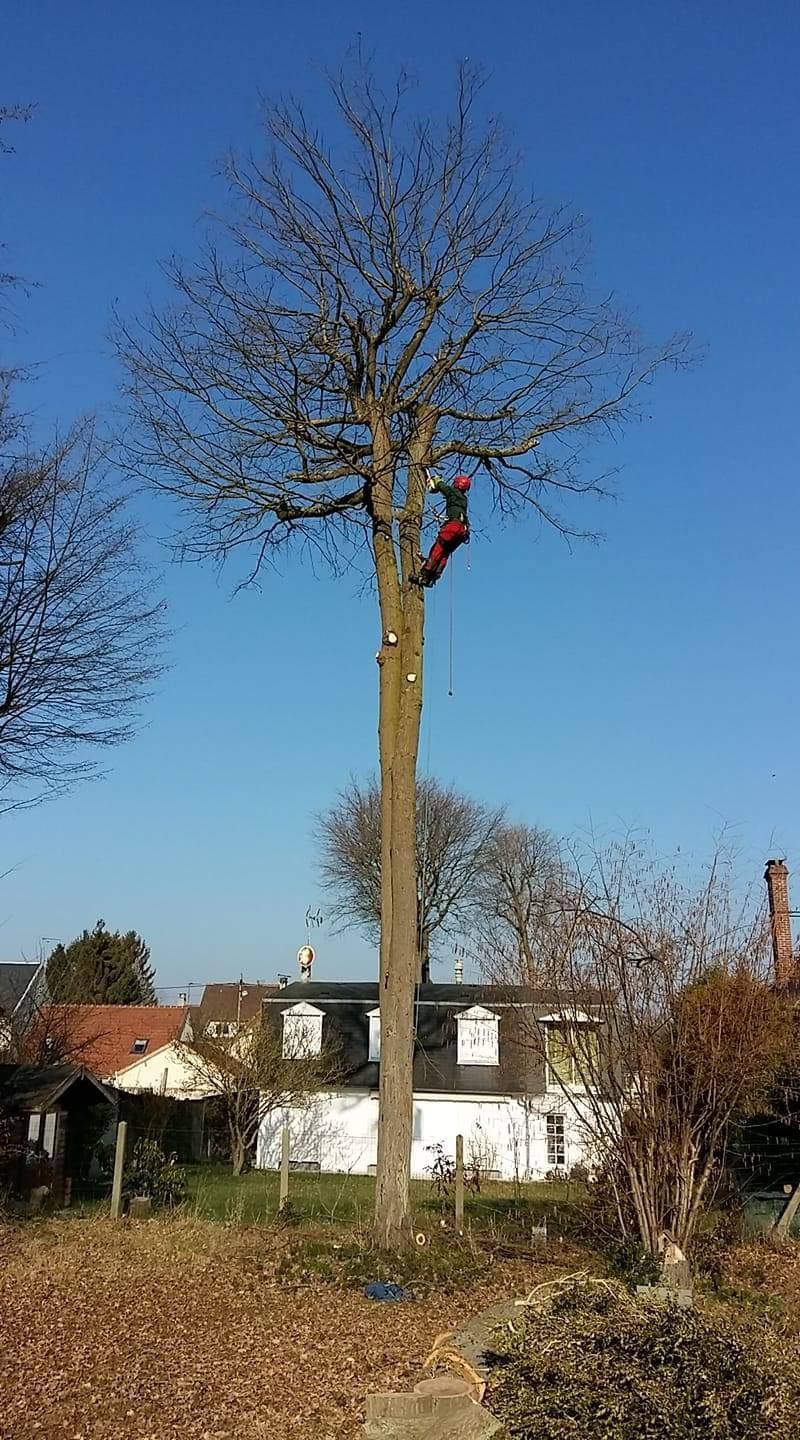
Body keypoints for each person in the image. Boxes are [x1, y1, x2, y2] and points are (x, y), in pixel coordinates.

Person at [412, 473, 471, 588]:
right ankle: (433, 578)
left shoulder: (453, 492)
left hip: (453, 526)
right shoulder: (464, 499)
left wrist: (437, 480)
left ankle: (423, 574)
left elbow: (442, 487)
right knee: (445, 552)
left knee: (438, 548)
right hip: (463, 530)